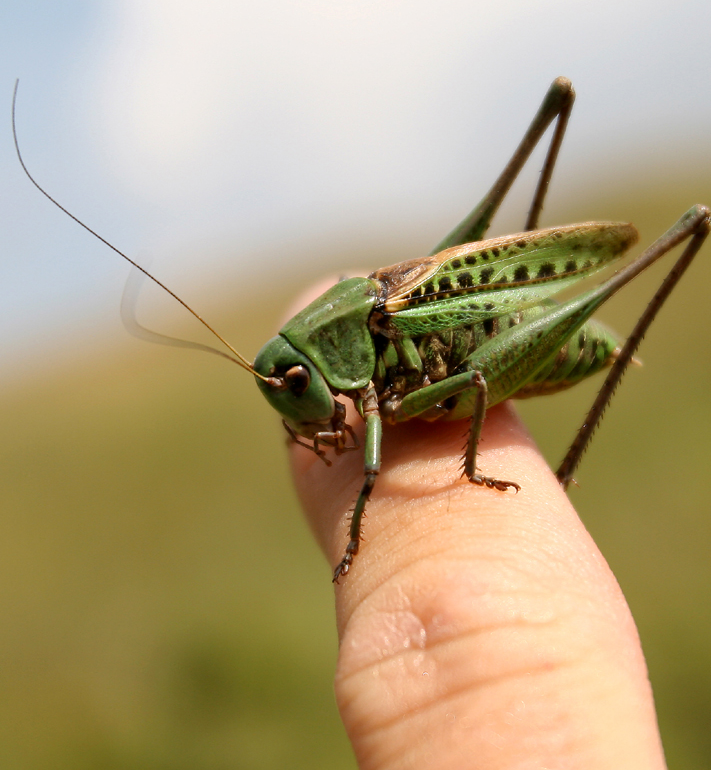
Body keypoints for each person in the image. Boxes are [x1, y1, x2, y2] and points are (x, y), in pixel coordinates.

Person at [285, 281, 668, 769]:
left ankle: (564, 471)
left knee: (472, 381)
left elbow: (465, 390)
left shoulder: (376, 339)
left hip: (530, 341)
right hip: (473, 328)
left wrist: (469, 475)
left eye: (300, 382)